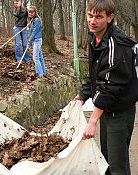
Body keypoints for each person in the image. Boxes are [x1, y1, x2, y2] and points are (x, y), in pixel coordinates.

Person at [73, 0, 138, 174]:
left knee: (118, 166)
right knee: (106, 160)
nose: (92, 21)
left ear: (110, 18)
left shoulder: (117, 45)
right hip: (106, 109)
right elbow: (94, 73)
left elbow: (109, 86)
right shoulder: (95, 37)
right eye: (90, 15)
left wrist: (92, 121)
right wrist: (82, 95)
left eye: (99, 17)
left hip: (120, 111)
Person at [27, 6, 46, 78]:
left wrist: (29, 41)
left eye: (32, 12)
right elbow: (31, 30)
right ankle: (43, 72)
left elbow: (34, 32)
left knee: (35, 57)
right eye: (29, 12)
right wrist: (29, 26)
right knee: (40, 57)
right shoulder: (32, 20)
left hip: (37, 40)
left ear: (35, 12)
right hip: (36, 40)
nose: (31, 13)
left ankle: (40, 74)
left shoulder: (37, 20)